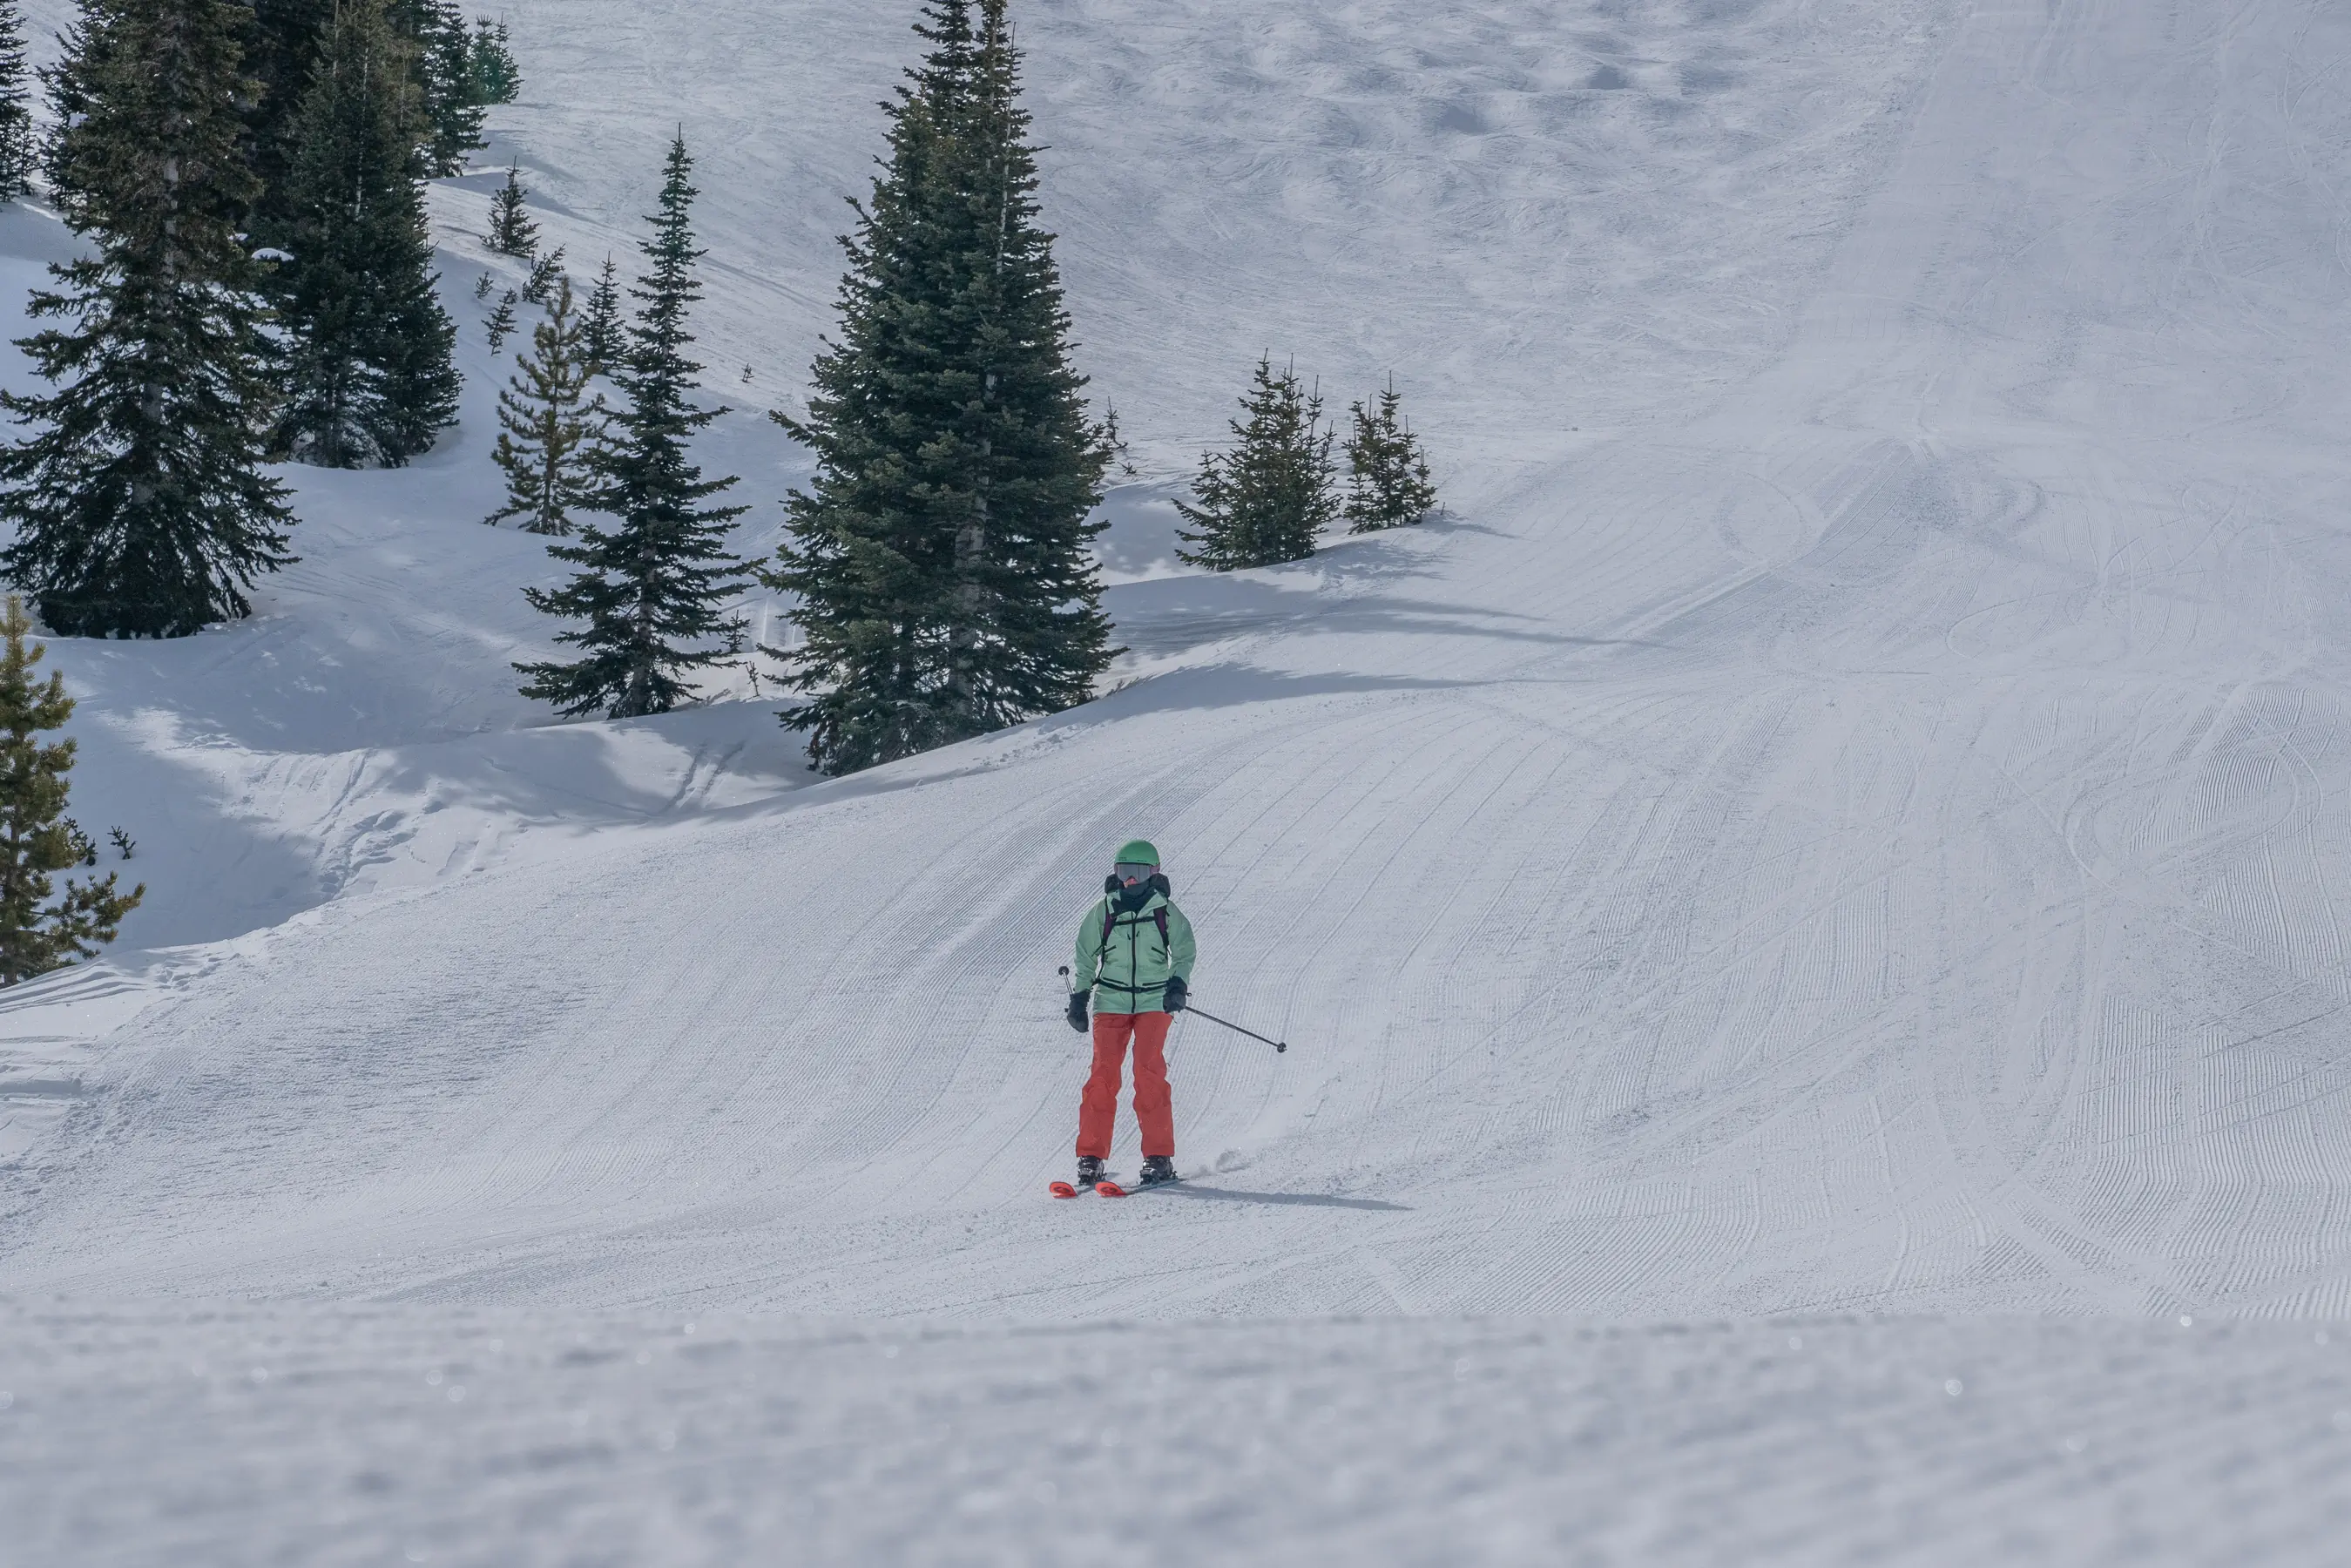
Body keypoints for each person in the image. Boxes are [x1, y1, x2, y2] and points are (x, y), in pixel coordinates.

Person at [1066, 839, 1196, 1189]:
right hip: (1111, 1001)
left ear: (1153, 873)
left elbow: (1184, 951)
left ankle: (1159, 1157)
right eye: (1124, 873)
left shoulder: (1164, 911)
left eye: (1137, 873)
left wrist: (1177, 986)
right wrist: (1080, 996)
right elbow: (1085, 954)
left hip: (1154, 1002)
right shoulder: (1105, 910)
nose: (1130, 882)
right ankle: (1091, 1158)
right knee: (1102, 1077)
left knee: (1148, 1071)